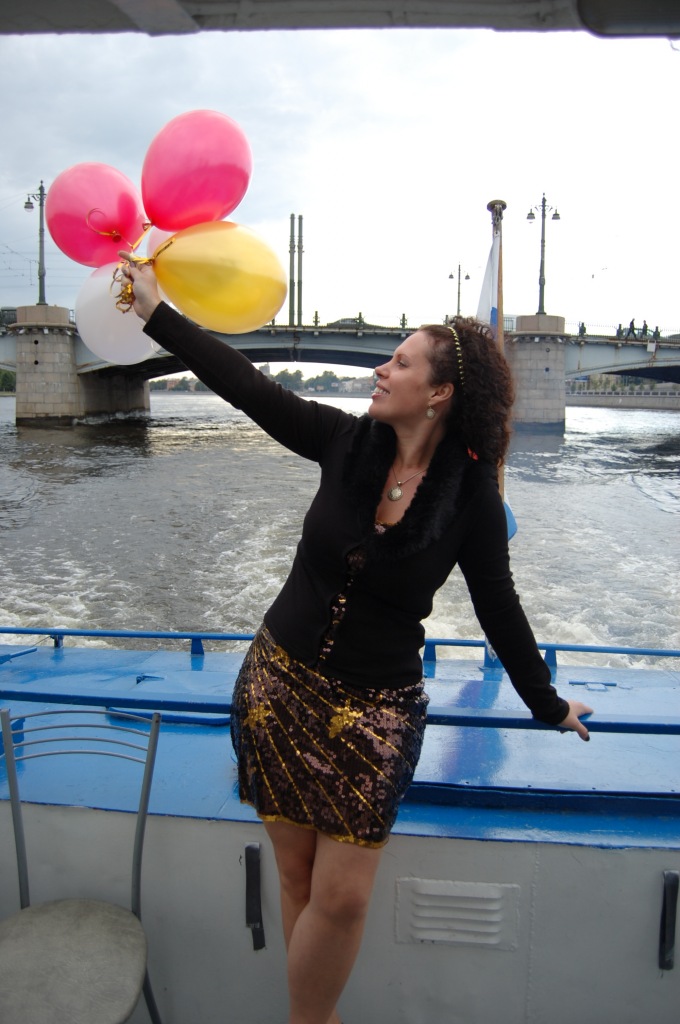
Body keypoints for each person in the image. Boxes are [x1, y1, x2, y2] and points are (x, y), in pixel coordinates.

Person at [118, 254, 593, 1024]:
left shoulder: (471, 498)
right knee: (295, 878)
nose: (380, 369)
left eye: (399, 362)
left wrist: (547, 702)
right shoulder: (343, 442)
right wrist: (154, 313)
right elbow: (246, 384)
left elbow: (499, 607)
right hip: (277, 688)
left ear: (438, 393)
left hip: (374, 713)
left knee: (341, 898)